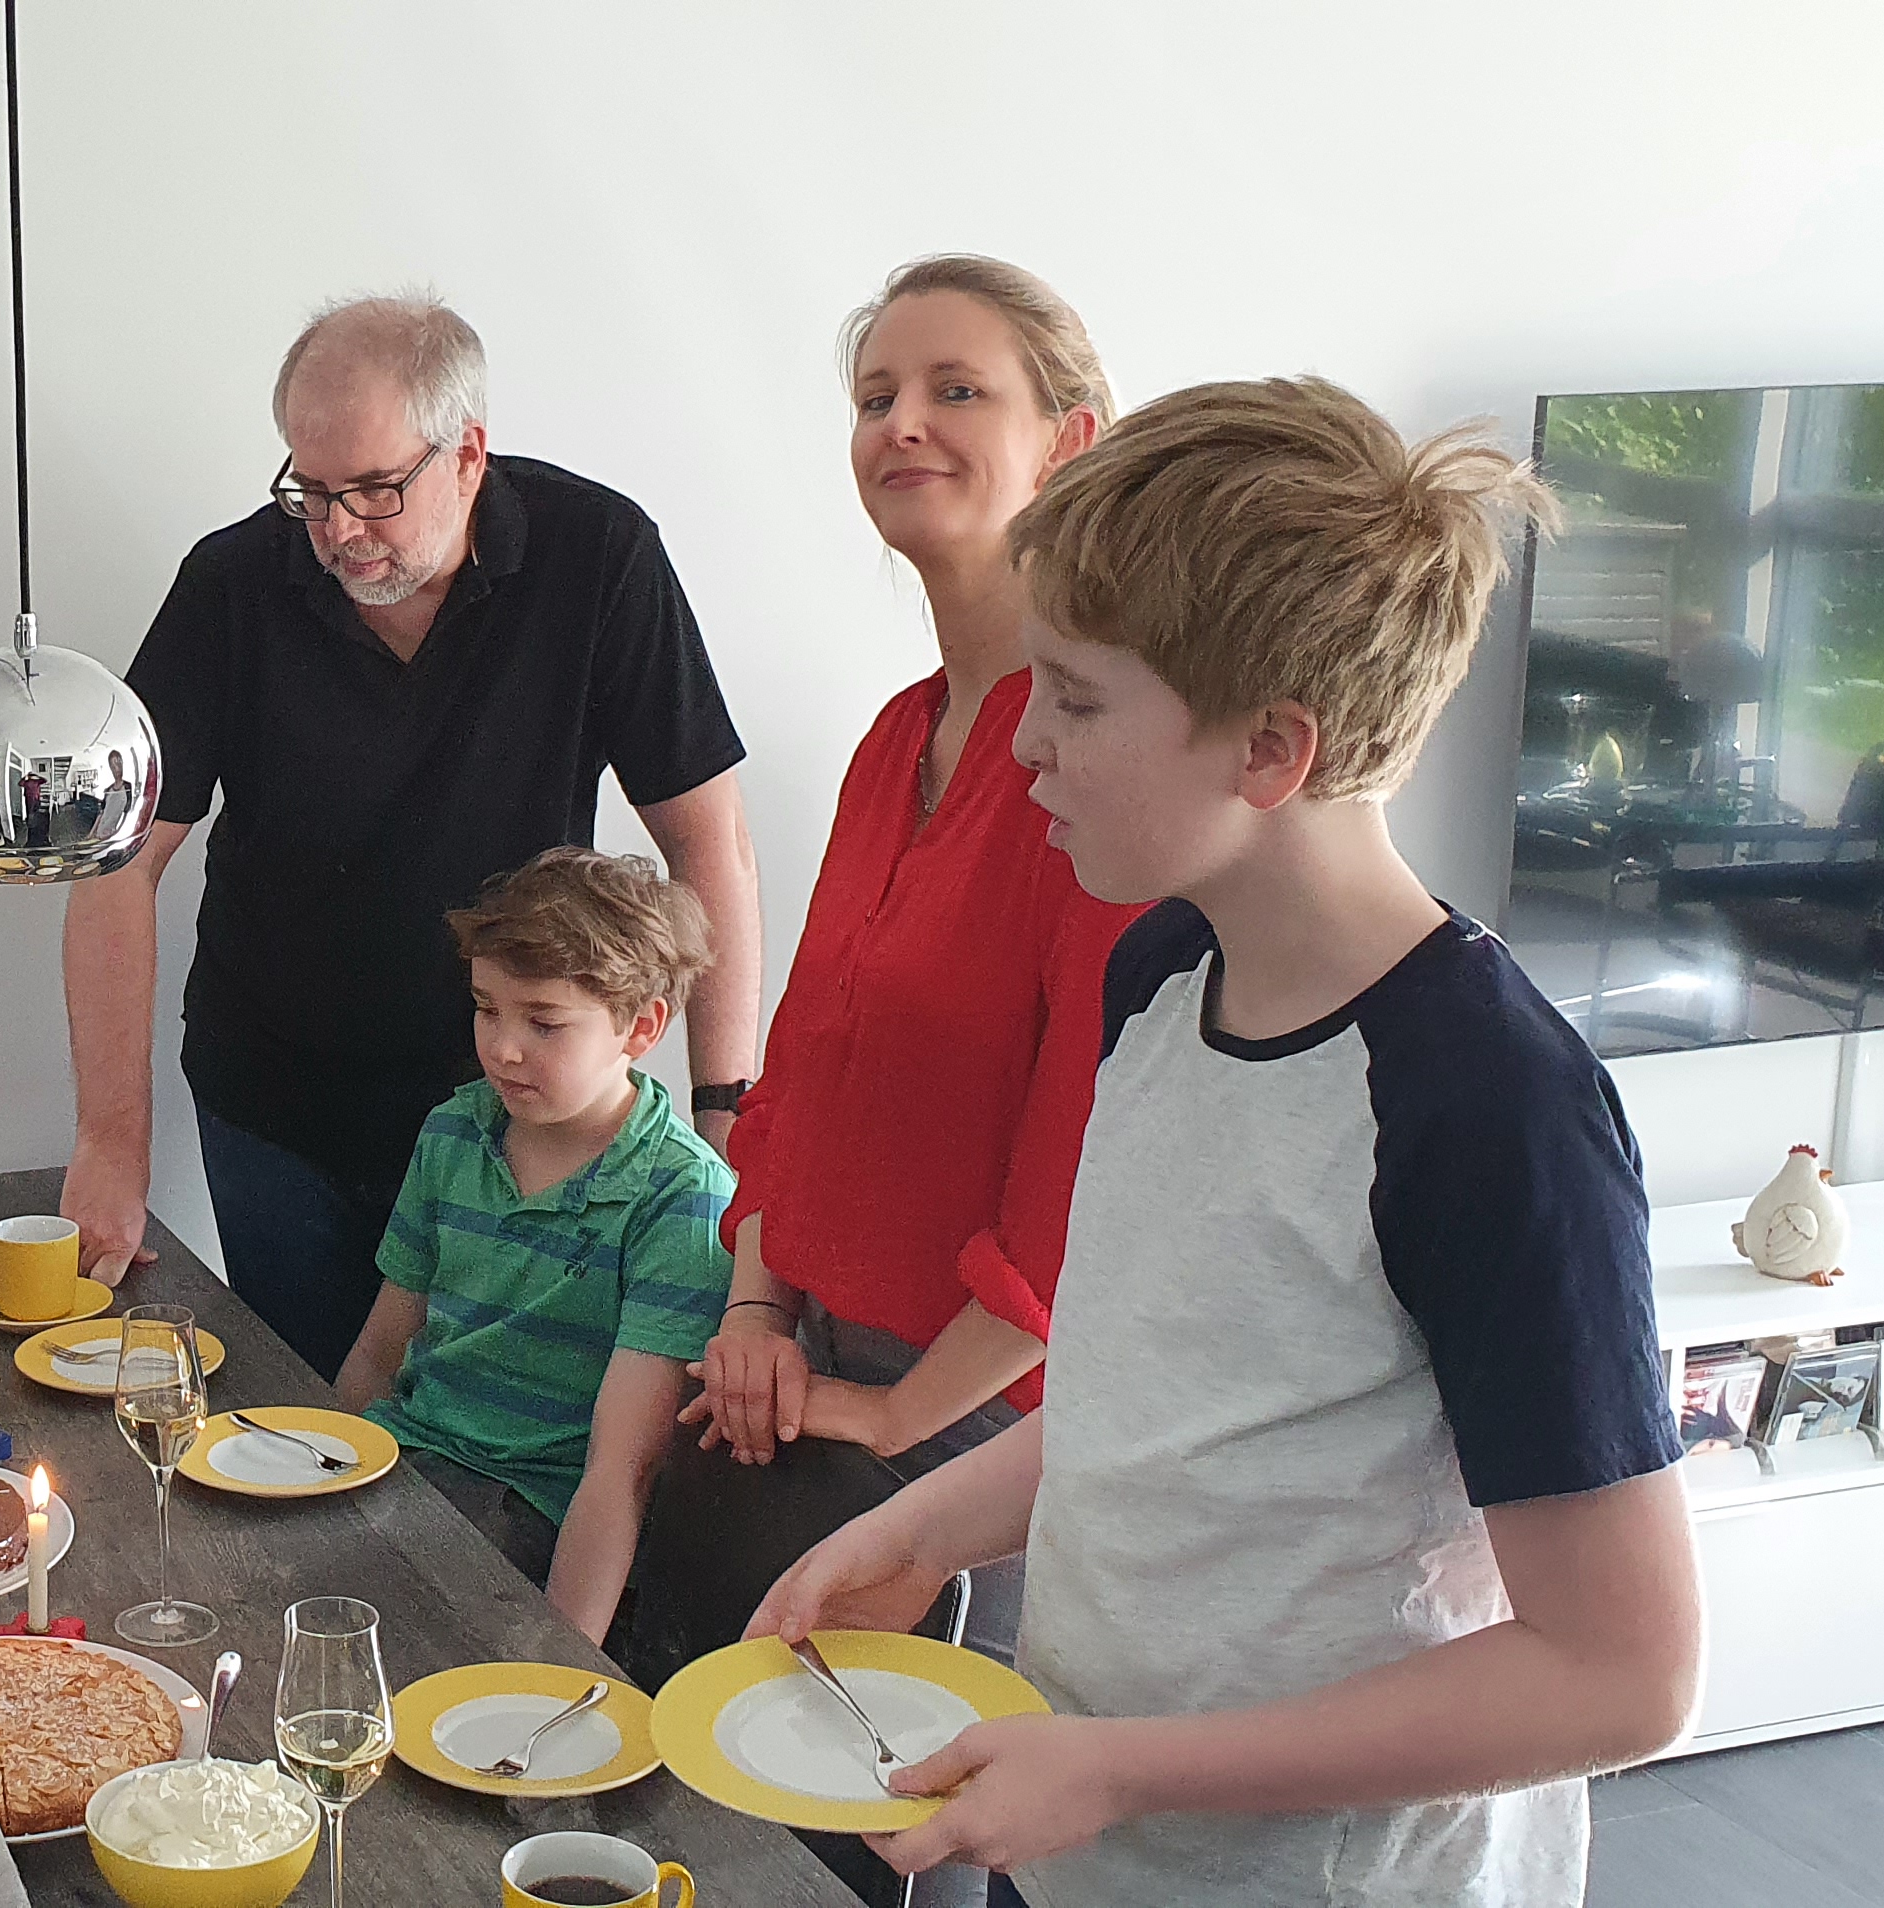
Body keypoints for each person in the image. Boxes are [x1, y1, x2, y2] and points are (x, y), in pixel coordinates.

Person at [749, 379, 1700, 1901]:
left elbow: (1620, 1676)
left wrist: (1123, 1767)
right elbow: (1163, 1404)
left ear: (1270, 750)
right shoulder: (1160, 969)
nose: (1024, 746)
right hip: (1095, 1850)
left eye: (1075, 699)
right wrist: (924, 1528)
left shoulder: (1492, 1111)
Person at [67, 292, 762, 1376]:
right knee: (306, 1424)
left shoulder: (599, 554)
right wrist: (111, 1143)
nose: (339, 530)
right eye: (310, 491)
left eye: (375, 491)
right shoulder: (234, 582)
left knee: (493, 1436)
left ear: (468, 454)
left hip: (520, 1109)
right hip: (277, 1105)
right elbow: (118, 862)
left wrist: (724, 1116)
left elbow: (707, 841)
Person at [660, 258, 1141, 1681]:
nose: (902, 424)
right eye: (877, 397)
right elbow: (801, 1074)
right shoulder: (893, 740)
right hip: (814, 1370)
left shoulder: (1104, 772)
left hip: (989, 1427)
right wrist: (759, 1312)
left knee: (906, 1794)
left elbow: (1082, 1187)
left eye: (957, 390)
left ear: (1070, 441)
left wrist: (896, 1418)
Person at [331, 849, 731, 1648]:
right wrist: (310, 1483)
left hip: (537, 1510)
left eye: (544, 1023)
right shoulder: (454, 1130)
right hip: (406, 1456)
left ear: (641, 1027)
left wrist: (556, 1672)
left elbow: (621, 1474)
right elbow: (378, 1352)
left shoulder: (683, 1197)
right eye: (487, 1009)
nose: (503, 1048)